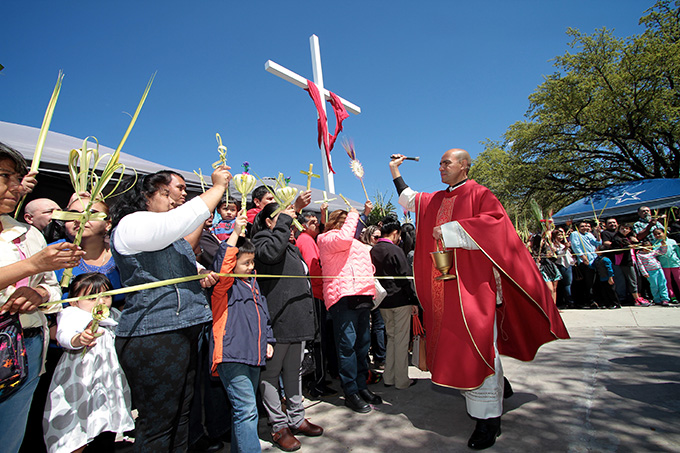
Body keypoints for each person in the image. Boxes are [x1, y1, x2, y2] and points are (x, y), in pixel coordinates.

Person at [389, 150, 569, 450]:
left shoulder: (480, 194)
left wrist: (451, 229)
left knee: (478, 345)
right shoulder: (435, 199)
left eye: (447, 163)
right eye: (439, 163)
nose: (441, 167)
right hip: (444, 290)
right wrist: (395, 171)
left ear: (465, 166)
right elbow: (410, 198)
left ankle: (488, 420)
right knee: (455, 348)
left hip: (474, 289)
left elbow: (496, 226)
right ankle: (498, 386)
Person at [109, 166, 230, 452]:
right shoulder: (131, 224)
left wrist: (197, 272)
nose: (174, 199)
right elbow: (172, 226)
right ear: (145, 197)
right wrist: (216, 189)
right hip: (153, 333)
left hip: (183, 329)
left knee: (181, 416)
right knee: (158, 424)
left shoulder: (168, 235)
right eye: (166, 193)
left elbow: (175, 252)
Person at [0, 142, 85, 453]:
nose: (17, 185)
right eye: (6, 176)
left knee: (9, 437)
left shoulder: (28, 234)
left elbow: (50, 287)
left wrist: (37, 292)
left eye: (17, 177)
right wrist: (32, 265)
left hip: (28, 343)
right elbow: (36, 267)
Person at [250, 202, 322, 452]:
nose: (289, 224)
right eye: (281, 219)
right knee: (270, 375)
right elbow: (270, 255)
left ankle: (297, 418)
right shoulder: (261, 240)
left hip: (297, 319)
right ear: (269, 221)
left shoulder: (291, 246)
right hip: (277, 319)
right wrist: (282, 223)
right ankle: (278, 425)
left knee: (293, 373)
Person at [43, 273, 133, 453]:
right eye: (91, 298)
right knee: (74, 430)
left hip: (107, 380)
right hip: (79, 381)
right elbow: (65, 335)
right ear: (74, 301)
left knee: (104, 424)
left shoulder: (114, 314)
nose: (100, 302)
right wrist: (79, 339)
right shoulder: (72, 314)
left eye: (106, 296)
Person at [211, 213, 275, 453]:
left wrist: (268, 339)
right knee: (246, 409)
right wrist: (235, 234)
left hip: (253, 354)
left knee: (245, 411)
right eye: (246, 263)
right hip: (232, 355)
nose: (251, 267)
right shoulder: (224, 286)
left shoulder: (253, 283)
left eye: (252, 262)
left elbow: (263, 314)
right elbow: (222, 266)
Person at [317, 208, 381, 414]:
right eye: (347, 221)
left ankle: (361, 385)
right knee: (347, 346)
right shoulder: (326, 238)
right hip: (343, 297)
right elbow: (344, 239)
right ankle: (350, 390)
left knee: (363, 345)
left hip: (362, 295)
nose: (352, 225)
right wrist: (355, 214)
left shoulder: (355, 242)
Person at [370, 218, 419, 389]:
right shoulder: (395, 250)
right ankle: (402, 380)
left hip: (383, 301)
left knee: (391, 338)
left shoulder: (373, 250)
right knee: (401, 341)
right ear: (396, 233)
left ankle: (389, 377)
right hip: (400, 300)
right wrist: (413, 300)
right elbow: (406, 278)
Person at [295, 212, 337, 398]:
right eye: (312, 223)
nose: (316, 225)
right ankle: (318, 384)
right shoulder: (305, 240)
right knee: (319, 342)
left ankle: (318, 379)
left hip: (315, 294)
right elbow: (314, 269)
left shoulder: (308, 240)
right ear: (303, 226)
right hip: (316, 295)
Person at [612, 224, 650, 306]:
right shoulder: (617, 238)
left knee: (637, 279)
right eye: (622, 228)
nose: (624, 230)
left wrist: (636, 242)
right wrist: (628, 246)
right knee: (632, 280)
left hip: (635, 260)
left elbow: (639, 246)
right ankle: (636, 299)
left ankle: (638, 296)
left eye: (627, 228)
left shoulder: (630, 238)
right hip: (625, 262)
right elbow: (616, 250)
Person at [570, 221, 602, 308]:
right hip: (585, 261)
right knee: (588, 282)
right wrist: (582, 257)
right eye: (582, 226)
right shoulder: (575, 234)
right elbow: (575, 246)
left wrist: (598, 234)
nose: (585, 228)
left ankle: (595, 299)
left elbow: (597, 243)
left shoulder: (589, 234)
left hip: (594, 259)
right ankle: (589, 300)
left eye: (586, 226)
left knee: (594, 281)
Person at [636, 240, 671, 306]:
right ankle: (657, 299)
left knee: (662, 283)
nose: (648, 249)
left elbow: (662, 252)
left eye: (649, 247)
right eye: (646, 247)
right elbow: (640, 264)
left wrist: (663, 245)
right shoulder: (640, 255)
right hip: (650, 272)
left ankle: (665, 299)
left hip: (658, 269)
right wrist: (644, 273)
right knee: (654, 285)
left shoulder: (652, 252)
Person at [652, 227, 680, 302]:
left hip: (675, 263)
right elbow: (655, 253)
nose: (657, 235)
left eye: (659, 233)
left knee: (678, 280)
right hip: (664, 265)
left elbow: (677, 251)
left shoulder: (672, 241)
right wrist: (662, 246)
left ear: (664, 233)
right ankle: (672, 296)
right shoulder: (655, 243)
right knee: (667, 281)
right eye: (655, 234)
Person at [551, 229, 575, 308]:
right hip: (561, 265)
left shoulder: (563, 244)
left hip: (568, 265)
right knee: (565, 284)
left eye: (562, 234)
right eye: (559, 235)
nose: (561, 237)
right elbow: (557, 255)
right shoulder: (553, 245)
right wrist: (565, 248)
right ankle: (568, 301)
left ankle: (568, 300)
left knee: (569, 283)